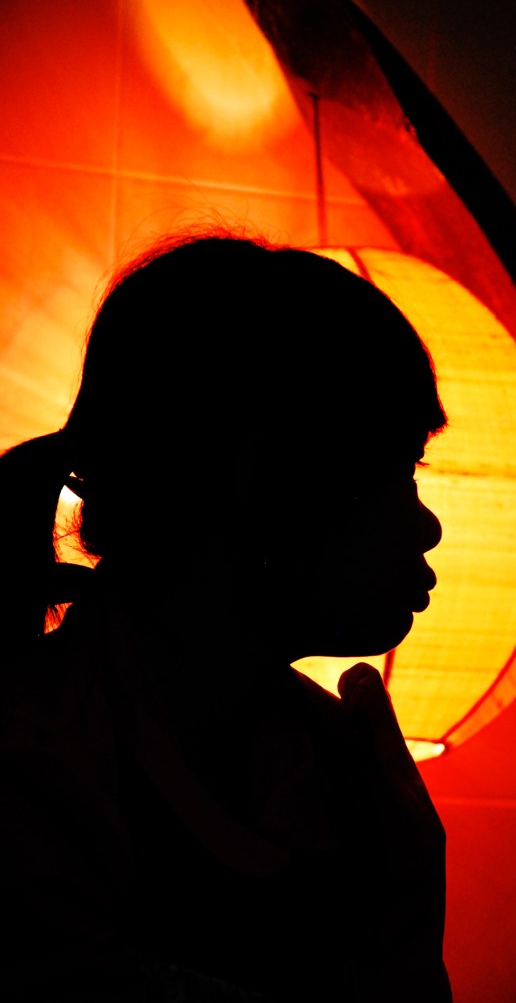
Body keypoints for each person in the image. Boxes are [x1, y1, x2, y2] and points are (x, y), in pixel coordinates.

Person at [0, 232, 451, 1002]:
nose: (428, 526)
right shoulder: (33, 756)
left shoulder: (340, 770)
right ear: (267, 479)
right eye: (401, 470)